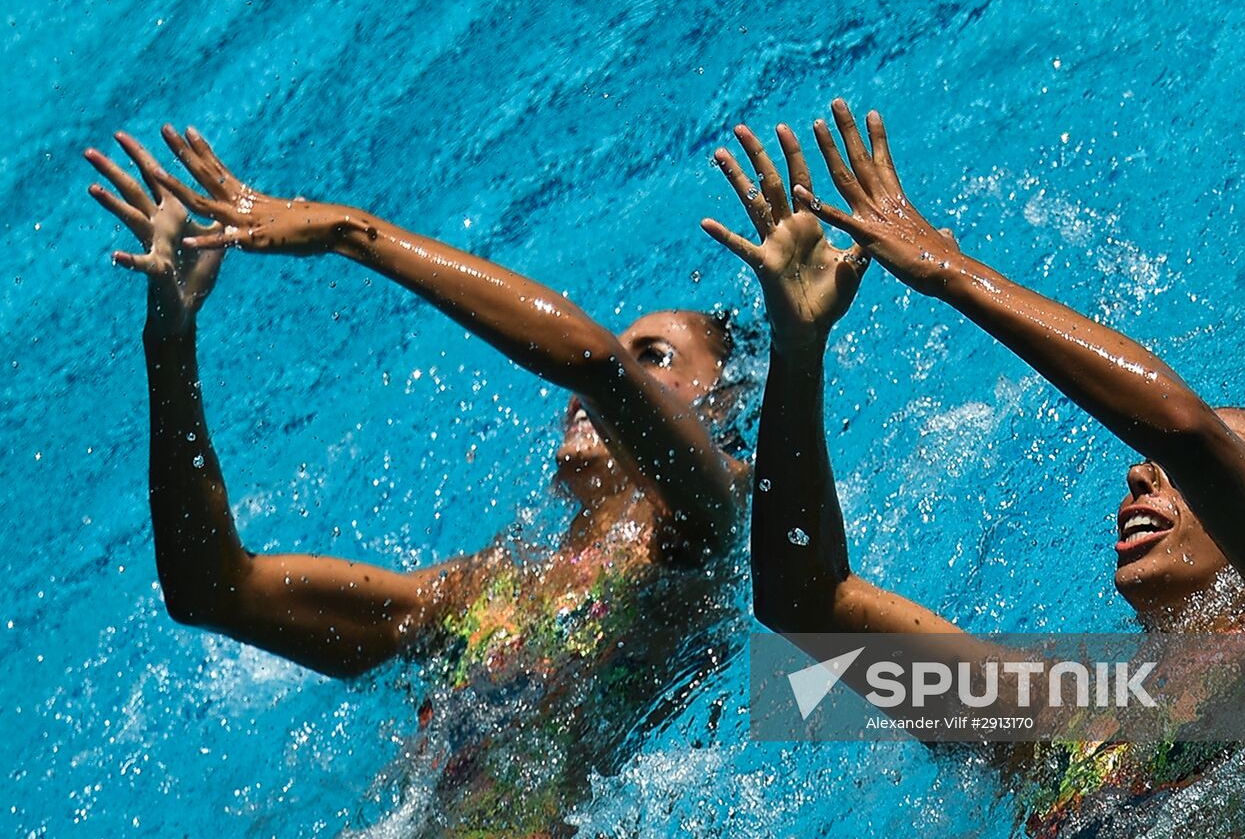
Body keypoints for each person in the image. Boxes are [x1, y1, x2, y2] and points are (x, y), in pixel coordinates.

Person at [703, 100, 1245, 836]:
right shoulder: (1061, 717)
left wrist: (953, 273)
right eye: (1149, 464)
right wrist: (798, 351)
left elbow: (1188, 432)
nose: (1142, 476)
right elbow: (806, 602)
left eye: (1198, 477)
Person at [85, 129, 749, 836]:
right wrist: (170, 339)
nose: (608, 376)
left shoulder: (699, 535)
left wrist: (350, 232)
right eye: (627, 351)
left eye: (654, 357)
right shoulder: (484, 590)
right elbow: (213, 591)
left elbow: (590, 361)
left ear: (723, 405)